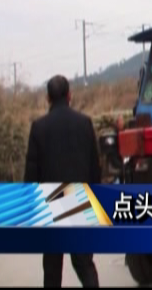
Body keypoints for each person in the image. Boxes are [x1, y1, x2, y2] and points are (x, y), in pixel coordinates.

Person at [24, 75, 102, 288]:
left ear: (48, 98)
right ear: (69, 95)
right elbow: (95, 168)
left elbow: (31, 173)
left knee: (51, 269)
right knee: (85, 265)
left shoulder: (39, 128)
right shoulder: (84, 123)